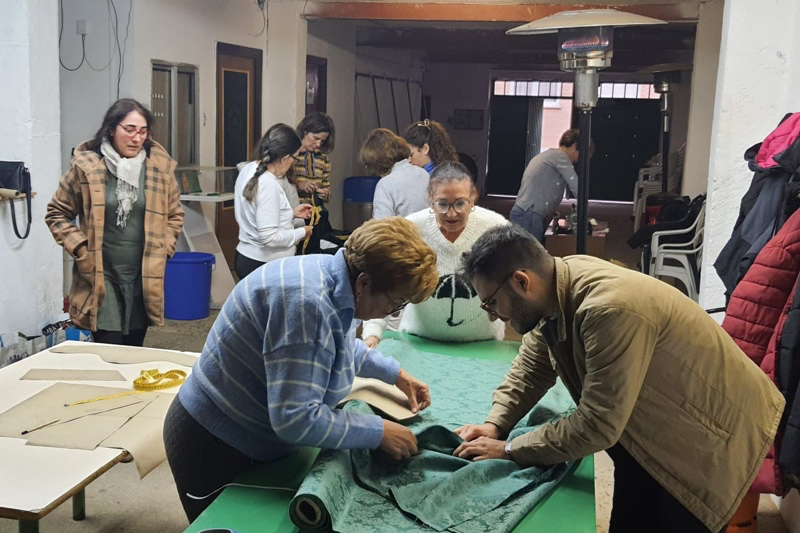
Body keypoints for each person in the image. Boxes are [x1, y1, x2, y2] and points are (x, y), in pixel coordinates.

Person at [453, 224, 785, 533]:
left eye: (491, 302)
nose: (493, 314)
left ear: (521, 282)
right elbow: (533, 366)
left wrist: (511, 448)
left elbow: (597, 424)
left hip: (708, 439)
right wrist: (497, 424)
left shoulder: (607, 309)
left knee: (678, 516)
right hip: (652, 428)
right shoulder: (557, 283)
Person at [163, 217, 439, 521]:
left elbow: (341, 346)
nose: (392, 312)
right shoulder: (308, 306)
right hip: (214, 442)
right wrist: (378, 431)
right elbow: (295, 419)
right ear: (364, 282)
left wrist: (395, 374)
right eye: (395, 303)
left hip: (247, 434)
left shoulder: (336, 277)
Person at [45, 98, 184, 346]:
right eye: (129, 130)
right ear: (111, 129)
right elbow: (57, 213)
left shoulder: (159, 170)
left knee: (134, 350)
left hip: (143, 276)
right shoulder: (86, 167)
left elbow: (175, 215)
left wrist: (165, 248)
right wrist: (80, 248)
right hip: (101, 274)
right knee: (109, 349)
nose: (136, 138)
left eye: (142, 131)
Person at [362, 162, 506, 347]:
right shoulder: (411, 229)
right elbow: (383, 283)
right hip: (418, 342)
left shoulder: (495, 227)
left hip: (484, 344)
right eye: (443, 204)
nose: (452, 213)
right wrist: (372, 334)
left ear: (472, 198)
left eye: (460, 203)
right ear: (431, 198)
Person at [233, 124, 313, 279]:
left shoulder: (249, 169)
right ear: (284, 159)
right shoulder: (268, 184)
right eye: (295, 158)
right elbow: (269, 238)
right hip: (266, 265)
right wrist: (302, 233)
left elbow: (258, 212)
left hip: (248, 258)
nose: (294, 163)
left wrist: (290, 213)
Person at [511, 129, 580, 243]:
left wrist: (548, 208)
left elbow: (543, 184)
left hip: (526, 212)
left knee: (526, 254)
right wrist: (584, 208)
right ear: (574, 147)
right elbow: (575, 184)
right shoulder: (561, 157)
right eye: (580, 154)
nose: (577, 160)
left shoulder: (551, 155)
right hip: (529, 214)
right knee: (532, 256)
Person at [359, 128, 430, 218]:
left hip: (402, 232)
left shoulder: (385, 184)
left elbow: (382, 227)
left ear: (377, 163)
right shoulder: (424, 174)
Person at [293, 112, 335, 204]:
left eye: (322, 141)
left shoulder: (322, 158)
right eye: (316, 138)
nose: (318, 144)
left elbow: (326, 185)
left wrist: (325, 193)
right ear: (305, 131)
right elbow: (281, 184)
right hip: (295, 211)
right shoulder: (291, 155)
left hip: (315, 213)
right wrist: (299, 185)